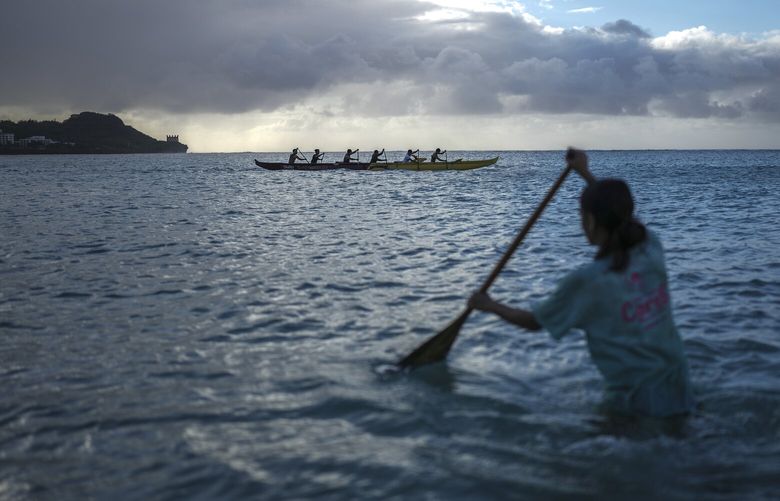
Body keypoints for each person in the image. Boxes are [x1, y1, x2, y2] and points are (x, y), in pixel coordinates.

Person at [469, 149, 694, 419]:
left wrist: (490, 305)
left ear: (590, 220)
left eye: (581, 215)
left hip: (634, 400)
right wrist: (584, 173)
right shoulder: (650, 247)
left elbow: (535, 322)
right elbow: (619, 215)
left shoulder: (589, 281)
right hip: (678, 380)